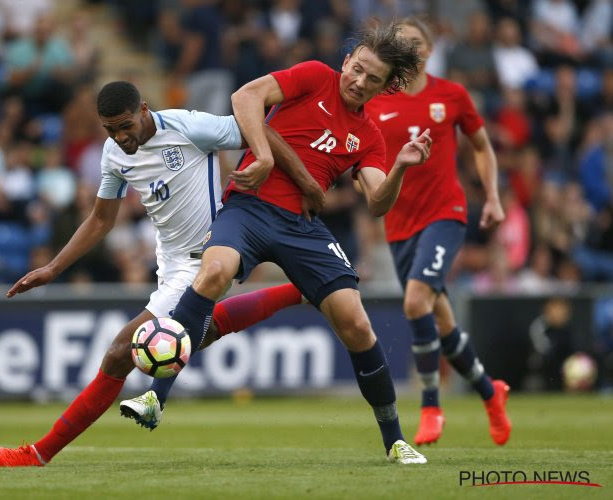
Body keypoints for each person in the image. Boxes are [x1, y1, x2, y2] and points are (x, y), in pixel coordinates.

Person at [0, 80, 323, 466]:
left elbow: (260, 129)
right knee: (201, 332)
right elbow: (100, 219)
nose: (121, 137)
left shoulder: (189, 126)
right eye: (110, 129)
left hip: (207, 258)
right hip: (170, 261)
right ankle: (298, 293)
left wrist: (306, 182)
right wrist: (53, 267)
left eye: (126, 125)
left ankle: (39, 453)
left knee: (119, 352)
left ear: (144, 109)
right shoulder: (113, 154)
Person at [134, 24, 432, 464]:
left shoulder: (369, 136)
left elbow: (377, 202)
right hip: (250, 207)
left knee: (356, 324)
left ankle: (395, 440)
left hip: (302, 227)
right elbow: (244, 98)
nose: (360, 82)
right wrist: (265, 154)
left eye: (374, 79)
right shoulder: (314, 76)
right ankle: (154, 398)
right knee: (213, 272)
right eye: (358, 69)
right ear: (347, 61)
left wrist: (401, 168)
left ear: (386, 87)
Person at [364, 17, 511, 446]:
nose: (408, 49)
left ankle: (431, 406)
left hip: (446, 213)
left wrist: (494, 196)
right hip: (398, 224)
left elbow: (482, 146)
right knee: (440, 319)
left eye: (414, 43)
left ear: (427, 51)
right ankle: (490, 392)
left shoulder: (452, 95)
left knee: (414, 301)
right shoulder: (376, 101)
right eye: (400, 44)